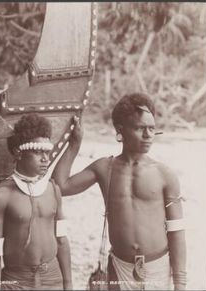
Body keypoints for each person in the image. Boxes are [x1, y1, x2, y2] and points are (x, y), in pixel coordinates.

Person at [52, 93, 187, 290]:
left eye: (152, 128)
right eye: (140, 128)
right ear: (120, 130)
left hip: (158, 267)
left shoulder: (164, 175)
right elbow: (59, 186)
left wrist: (180, 283)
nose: (148, 135)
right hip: (118, 267)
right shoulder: (104, 168)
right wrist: (74, 145)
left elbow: (176, 231)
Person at [0, 113, 72, 290]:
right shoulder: (0, 195)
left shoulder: (53, 190)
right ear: (18, 152)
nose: (45, 158)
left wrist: (68, 283)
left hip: (53, 278)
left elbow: (62, 240)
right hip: (16, 281)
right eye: (37, 152)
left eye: (47, 151)